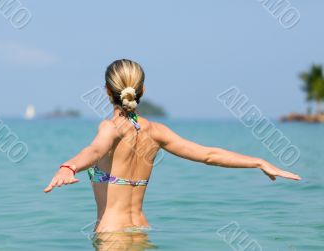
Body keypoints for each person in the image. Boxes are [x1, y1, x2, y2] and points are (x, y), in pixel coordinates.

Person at [44, 59, 301, 233]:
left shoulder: (109, 129)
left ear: (106, 92)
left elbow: (95, 151)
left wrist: (70, 166)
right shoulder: (156, 132)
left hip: (112, 237)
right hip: (142, 231)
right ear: (142, 89)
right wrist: (259, 161)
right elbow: (209, 155)